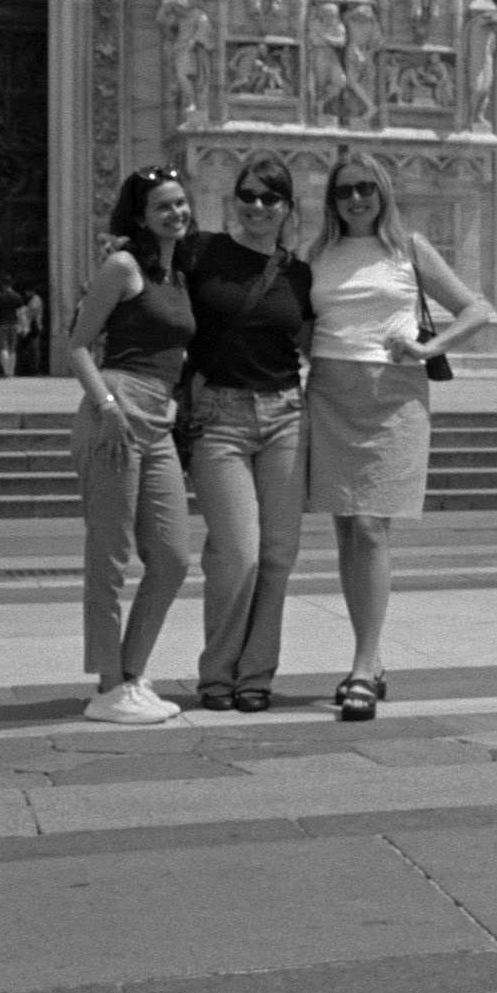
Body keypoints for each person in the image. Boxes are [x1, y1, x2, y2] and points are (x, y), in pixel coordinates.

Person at [306, 152, 497, 720]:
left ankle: (362, 667)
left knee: (371, 527)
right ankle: (371, 657)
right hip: (330, 391)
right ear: (332, 199)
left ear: (384, 192)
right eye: (345, 190)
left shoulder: (409, 248)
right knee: (348, 530)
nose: (356, 199)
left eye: (366, 188)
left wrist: (428, 347)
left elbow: (477, 309)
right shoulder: (317, 253)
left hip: (392, 395)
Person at [184, 153, 313, 713]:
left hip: (285, 415)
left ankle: (256, 673)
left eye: (270, 197)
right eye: (248, 195)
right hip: (219, 418)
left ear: (288, 207)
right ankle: (217, 674)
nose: (257, 206)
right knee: (238, 553)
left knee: (278, 555)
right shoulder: (201, 252)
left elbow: (319, 342)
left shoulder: (298, 274)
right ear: (233, 199)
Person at [67, 167, 195, 724]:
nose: (176, 213)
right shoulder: (122, 266)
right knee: (110, 555)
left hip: (159, 418)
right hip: (115, 410)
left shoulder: (178, 273)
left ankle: (132, 671)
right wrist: (108, 406)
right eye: (163, 206)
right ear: (140, 216)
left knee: (171, 556)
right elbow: (77, 344)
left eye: (181, 202)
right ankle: (109, 684)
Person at [0, 277, 22, 377]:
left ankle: (6, 371)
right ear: (11, 284)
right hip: (14, 324)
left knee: (3, 348)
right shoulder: (17, 297)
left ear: (3, 285)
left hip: (1, 324)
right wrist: (22, 326)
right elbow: (20, 313)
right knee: (12, 349)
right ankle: (11, 371)